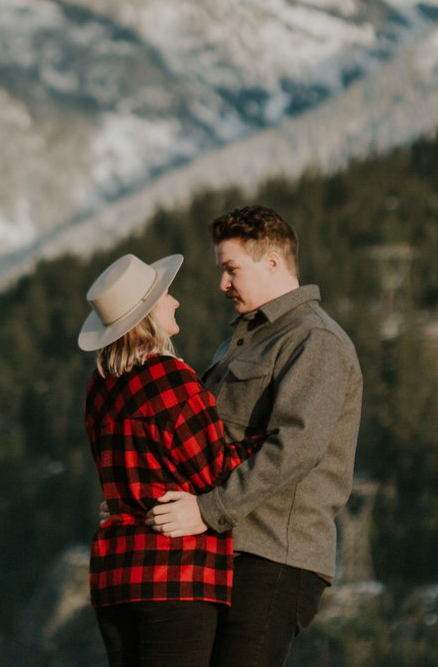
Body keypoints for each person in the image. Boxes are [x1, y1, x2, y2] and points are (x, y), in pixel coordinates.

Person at [145, 205, 363, 667]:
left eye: (231, 269)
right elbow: (205, 446)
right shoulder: (241, 342)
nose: (222, 284)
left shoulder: (315, 341)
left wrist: (208, 511)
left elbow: (297, 446)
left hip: (273, 558)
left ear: (272, 262)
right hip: (225, 550)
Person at [80, 252, 264, 667]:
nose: (175, 301)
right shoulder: (171, 378)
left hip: (114, 575)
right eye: (165, 295)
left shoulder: (98, 387)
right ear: (146, 314)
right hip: (173, 572)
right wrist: (266, 441)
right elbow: (215, 472)